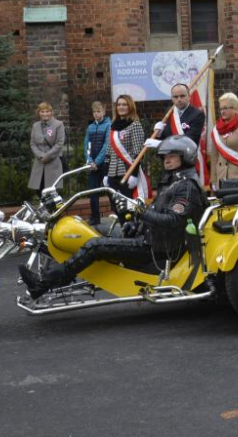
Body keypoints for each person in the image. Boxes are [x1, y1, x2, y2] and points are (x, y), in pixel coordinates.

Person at [19, 136, 207, 299]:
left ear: (185, 157)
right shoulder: (173, 182)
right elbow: (160, 216)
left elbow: (173, 221)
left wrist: (139, 212)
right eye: (165, 156)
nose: (167, 159)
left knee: (95, 245)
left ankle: (43, 284)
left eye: (172, 156)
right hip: (151, 239)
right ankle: (61, 278)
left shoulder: (186, 187)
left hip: (157, 249)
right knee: (96, 232)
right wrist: (137, 224)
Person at [208, 92, 238, 188]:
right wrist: (213, 179)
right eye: (221, 108)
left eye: (226, 108)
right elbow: (214, 157)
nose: (222, 111)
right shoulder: (216, 129)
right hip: (221, 177)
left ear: (235, 109)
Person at [105, 94, 145, 198]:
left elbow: (138, 154)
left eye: (124, 104)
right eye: (119, 105)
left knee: (127, 209)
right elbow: (108, 154)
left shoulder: (135, 125)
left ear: (130, 107)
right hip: (112, 174)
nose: (121, 107)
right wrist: (105, 174)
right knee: (115, 206)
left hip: (127, 173)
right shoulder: (112, 127)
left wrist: (134, 175)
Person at [28, 102, 66, 193]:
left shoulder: (58, 125)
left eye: (47, 111)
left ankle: (55, 208)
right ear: (39, 113)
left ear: (51, 112)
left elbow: (59, 143)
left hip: (53, 162)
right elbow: (33, 143)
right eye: (42, 111)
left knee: (52, 193)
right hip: (39, 162)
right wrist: (41, 156)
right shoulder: (35, 126)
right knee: (39, 191)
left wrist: (47, 156)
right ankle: (44, 207)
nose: (45, 114)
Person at [83, 101, 111, 225]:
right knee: (93, 192)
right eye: (94, 112)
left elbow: (107, 145)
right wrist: (89, 160)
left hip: (104, 164)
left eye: (98, 111)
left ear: (103, 112)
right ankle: (95, 217)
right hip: (92, 165)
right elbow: (87, 145)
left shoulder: (108, 125)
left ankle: (118, 213)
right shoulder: (90, 127)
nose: (96, 114)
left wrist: (97, 162)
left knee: (110, 191)